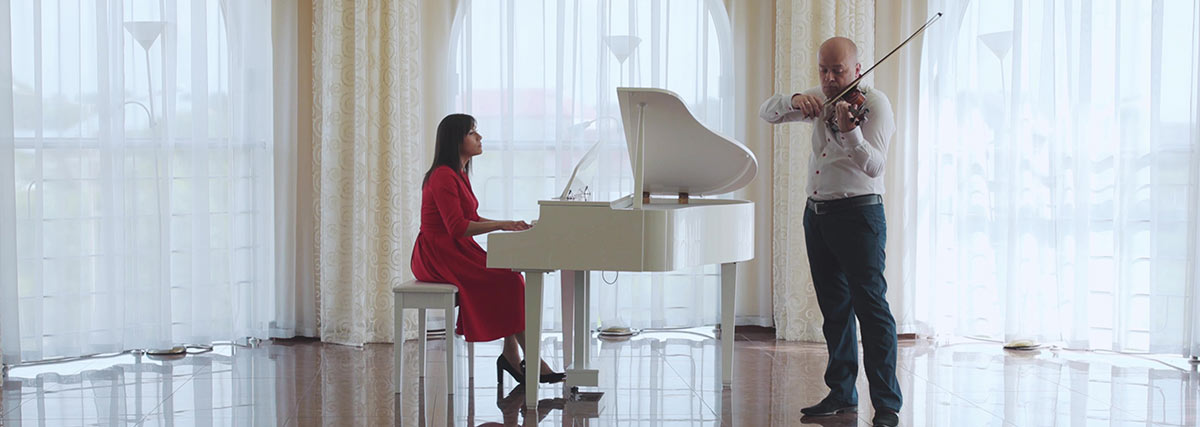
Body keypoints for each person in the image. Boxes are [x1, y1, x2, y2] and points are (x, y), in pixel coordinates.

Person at [759, 37, 901, 427]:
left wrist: (850, 132)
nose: (829, 78)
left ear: (857, 69)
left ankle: (887, 405)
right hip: (817, 215)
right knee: (834, 312)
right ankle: (841, 395)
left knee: (872, 310)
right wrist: (792, 99)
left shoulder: (874, 105)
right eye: (824, 69)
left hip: (859, 217)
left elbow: (875, 167)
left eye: (838, 70)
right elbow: (766, 113)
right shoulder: (817, 98)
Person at [411, 113, 564, 386]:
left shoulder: (458, 173)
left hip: (454, 249)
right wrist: (502, 225)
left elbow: (470, 217)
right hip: (437, 254)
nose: (479, 137)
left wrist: (507, 223)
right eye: (472, 133)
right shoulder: (443, 176)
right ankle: (531, 361)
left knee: (511, 276)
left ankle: (511, 354)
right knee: (511, 279)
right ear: (456, 140)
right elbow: (457, 226)